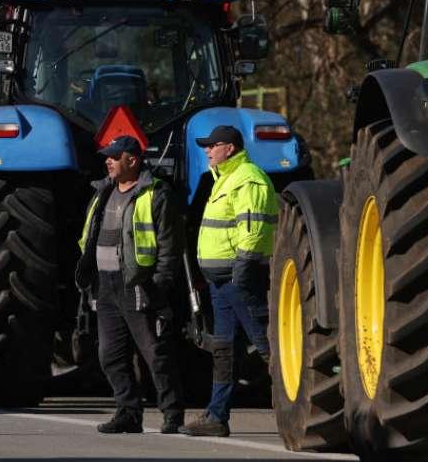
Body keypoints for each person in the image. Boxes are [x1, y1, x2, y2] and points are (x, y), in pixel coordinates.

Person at [76, 134, 186, 434]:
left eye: (114, 156)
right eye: (107, 156)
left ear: (132, 160)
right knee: (110, 356)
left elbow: (170, 246)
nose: (108, 161)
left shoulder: (156, 194)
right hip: (105, 286)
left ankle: (172, 414)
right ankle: (128, 413)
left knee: (155, 353)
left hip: (139, 284)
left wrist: (159, 285)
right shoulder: (103, 192)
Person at [181, 125, 278, 437]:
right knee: (224, 350)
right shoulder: (222, 179)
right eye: (206, 146)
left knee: (267, 344)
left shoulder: (248, 179)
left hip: (238, 279)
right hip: (220, 281)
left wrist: (243, 268)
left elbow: (253, 228)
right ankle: (216, 416)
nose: (207, 150)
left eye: (213, 145)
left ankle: (307, 404)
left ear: (230, 148)